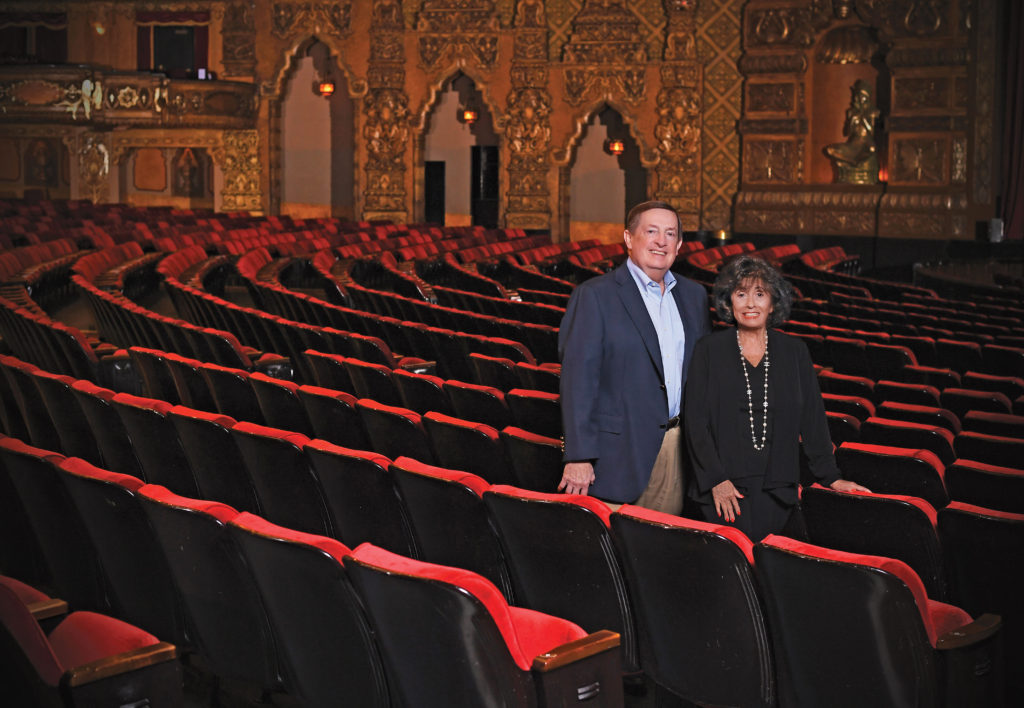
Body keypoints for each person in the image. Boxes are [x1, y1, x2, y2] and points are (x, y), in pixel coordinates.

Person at [684, 255, 869, 540]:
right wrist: (715, 480)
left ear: (773, 304)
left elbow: (813, 420)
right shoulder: (708, 350)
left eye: (760, 294)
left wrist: (831, 477)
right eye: (741, 293)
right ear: (728, 302)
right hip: (723, 491)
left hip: (777, 490)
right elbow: (696, 422)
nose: (750, 303)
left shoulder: (794, 352)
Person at [558, 200, 711, 513]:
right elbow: (578, 382)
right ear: (629, 238)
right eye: (651, 231)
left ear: (679, 244)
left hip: (674, 446)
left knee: (659, 551)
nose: (661, 241)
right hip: (614, 452)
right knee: (611, 555)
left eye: (670, 234)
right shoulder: (595, 295)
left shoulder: (694, 296)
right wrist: (579, 456)